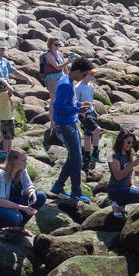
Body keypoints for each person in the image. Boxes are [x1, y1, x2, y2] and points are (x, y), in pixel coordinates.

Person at [49, 56, 95, 203]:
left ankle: (58, 186)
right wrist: (78, 108)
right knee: (77, 158)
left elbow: (67, 102)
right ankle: (76, 191)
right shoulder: (67, 85)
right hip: (65, 125)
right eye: (84, 74)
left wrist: (79, 104)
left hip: (68, 124)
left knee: (74, 156)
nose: (84, 77)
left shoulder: (67, 81)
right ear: (76, 71)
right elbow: (58, 106)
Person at [0, 148, 46, 232]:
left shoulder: (22, 170)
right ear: (14, 161)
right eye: (23, 160)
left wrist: (32, 193)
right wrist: (23, 208)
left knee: (41, 196)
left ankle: (18, 227)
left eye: (26, 160)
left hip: (10, 201)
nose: (26, 163)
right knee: (16, 219)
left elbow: (29, 185)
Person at [106, 131, 139, 218]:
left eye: (132, 143)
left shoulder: (127, 153)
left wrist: (132, 184)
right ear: (121, 141)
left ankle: (121, 203)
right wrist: (132, 164)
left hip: (127, 186)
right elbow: (118, 176)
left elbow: (132, 171)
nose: (130, 145)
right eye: (128, 142)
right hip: (115, 189)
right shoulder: (112, 155)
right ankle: (117, 202)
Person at [38, 37, 70, 133]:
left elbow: (64, 67)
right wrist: (68, 62)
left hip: (61, 78)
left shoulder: (59, 53)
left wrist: (68, 77)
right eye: (56, 45)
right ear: (50, 45)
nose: (58, 46)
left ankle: (60, 119)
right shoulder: (48, 54)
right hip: (52, 79)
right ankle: (53, 122)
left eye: (59, 45)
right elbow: (56, 66)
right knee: (54, 100)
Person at [76, 67, 102, 170]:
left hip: (91, 112)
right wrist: (81, 112)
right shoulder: (78, 87)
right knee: (97, 129)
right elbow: (76, 100)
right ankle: (95, 152)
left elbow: (91, 98)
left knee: (87, 135)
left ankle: (87, 155)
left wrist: (94, 110)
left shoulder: (90, 86)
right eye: (91, 74)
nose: (93, 76)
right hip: (84, 113)